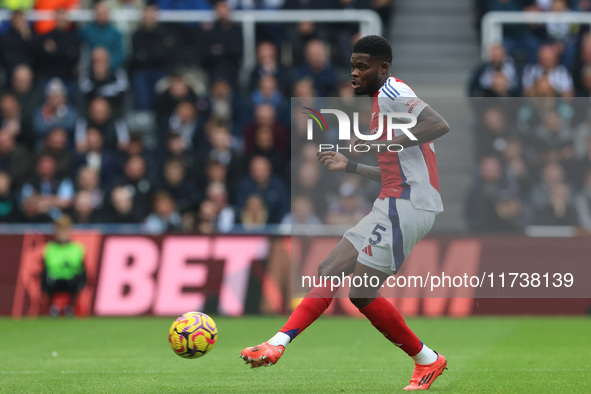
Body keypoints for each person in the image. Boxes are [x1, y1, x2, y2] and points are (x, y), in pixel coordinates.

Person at [240, 35, 450, 391]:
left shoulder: (393, 92)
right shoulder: (381, 102)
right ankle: (277, 344)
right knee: (329, 268)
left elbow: (438, 124)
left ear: (383, 68)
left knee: (361, 293)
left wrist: (373, 143)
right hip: (392, 200)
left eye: (363, 67)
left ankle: (427, 360)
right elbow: (393, 169)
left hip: (409, 205)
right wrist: (351, 165)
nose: (354, 73)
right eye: (353, 66)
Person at [41, 215, 86, 317]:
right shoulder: (49, 248)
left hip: (71, 281)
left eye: (65, 230)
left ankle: (70, 307)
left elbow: (82, 269)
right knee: (48, 279)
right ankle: (53, 307)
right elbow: (46, 269)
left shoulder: (77, 248)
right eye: (60, 230)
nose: (62, 234)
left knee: (76, 279)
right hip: (54, 280)